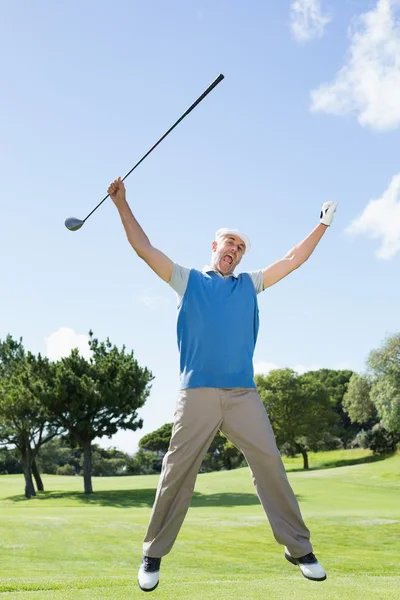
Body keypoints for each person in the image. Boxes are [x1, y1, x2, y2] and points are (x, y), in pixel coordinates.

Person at [107, 176, 337, 592]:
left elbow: (293, 259)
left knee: (270, 464)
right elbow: (144, 248)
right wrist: (122, 204)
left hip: (242, 394)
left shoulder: (251, 285)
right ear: (215, 247)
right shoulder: (187, 279)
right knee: (176, 472)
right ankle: (152, 554)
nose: (234, 249)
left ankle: (298, 547)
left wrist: (321, 225)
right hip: (196, 394)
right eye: (228, 243)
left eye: (241, 247)